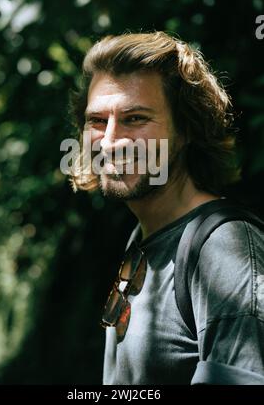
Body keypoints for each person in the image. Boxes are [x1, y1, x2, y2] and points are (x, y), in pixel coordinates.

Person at [69, 31, 264, 385]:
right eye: (97, 121)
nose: (111, 141)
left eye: (135, 118)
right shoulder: (144, 235)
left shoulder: (223, 248)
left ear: (187, 129)